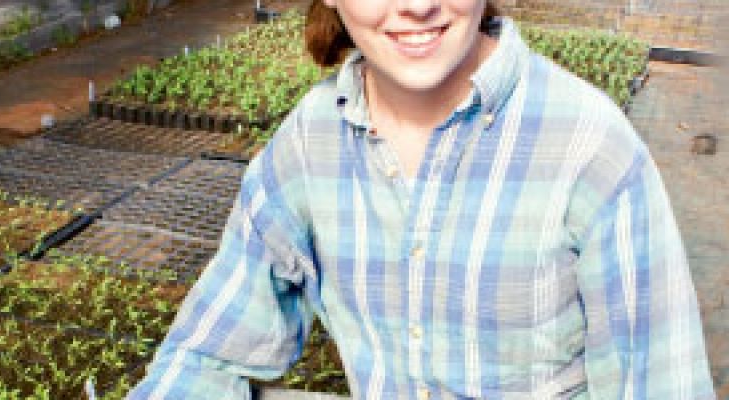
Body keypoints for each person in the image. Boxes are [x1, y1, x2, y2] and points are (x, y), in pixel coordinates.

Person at [127, 0, 716, 398]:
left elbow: (658, 383)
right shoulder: (310, 144)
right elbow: (208, 353)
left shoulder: (588, 147)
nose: (417, 6)